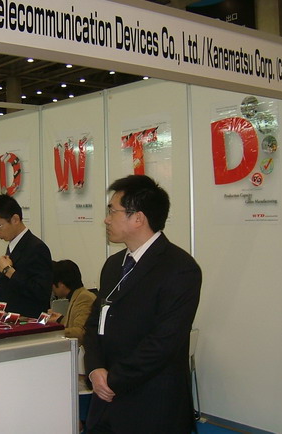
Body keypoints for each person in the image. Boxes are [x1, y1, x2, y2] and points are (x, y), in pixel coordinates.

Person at [83, 175, 202, 433]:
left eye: (112, 211)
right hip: (105, 402)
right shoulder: (113, 265)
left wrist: (113, 379)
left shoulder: (179, 268)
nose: (106, 219)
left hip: (152, 405)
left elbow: (163, 342)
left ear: (138, 218)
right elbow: (94, 323)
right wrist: (94, 369)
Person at [0, 194, 52, 318]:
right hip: (7, 318)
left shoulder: (36, 248)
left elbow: (41, 292)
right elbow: (7, 286)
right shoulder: (13, 245)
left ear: (15, 219)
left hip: (27, 321)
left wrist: (9, 271)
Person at [49, 260, 96, 346]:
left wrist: (51, 331)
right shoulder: (77, 296)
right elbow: (75, 322)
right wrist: (59, 319)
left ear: (61, 285)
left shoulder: (84, 297)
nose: (52, 288)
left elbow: (79, 332)